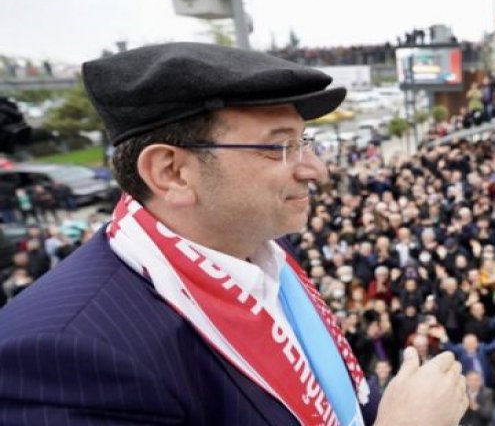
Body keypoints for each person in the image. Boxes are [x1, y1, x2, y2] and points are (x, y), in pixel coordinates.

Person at [0, 42, 467, 425]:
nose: (317, 170)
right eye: (280, 147)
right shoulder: (64, 355)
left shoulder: (261, 253)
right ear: (172, 172)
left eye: (304, 143)